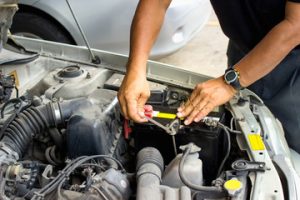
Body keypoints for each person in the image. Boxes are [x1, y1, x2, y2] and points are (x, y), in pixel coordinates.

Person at [117, 0, 300, 154]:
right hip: (245, 48)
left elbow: (296, 26)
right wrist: (136, 69)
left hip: (294, 60)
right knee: (244, 133)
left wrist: (229, 83)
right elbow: (156, 3)